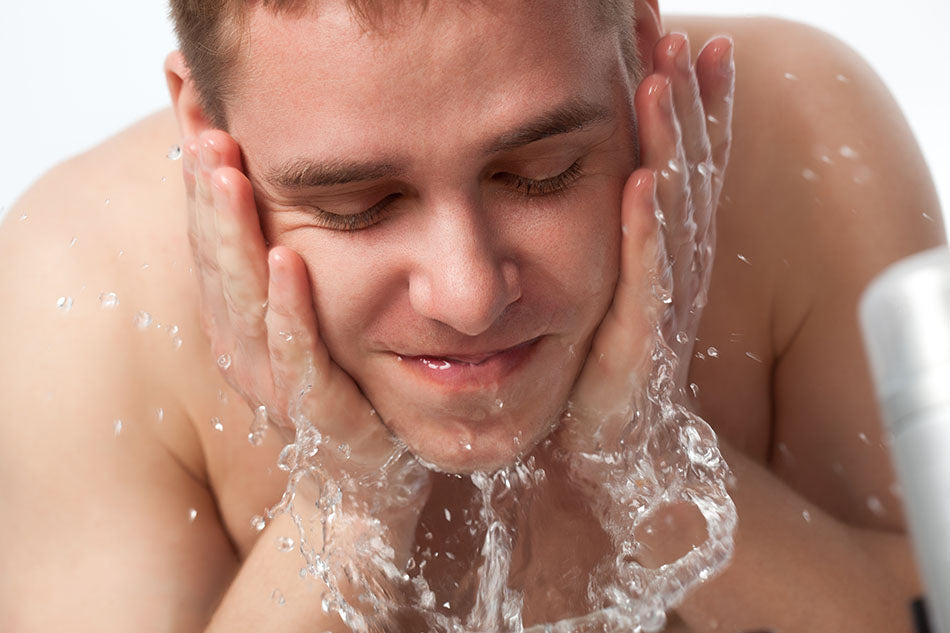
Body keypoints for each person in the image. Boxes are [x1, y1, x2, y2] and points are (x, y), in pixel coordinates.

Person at [0, 0, 945, 631]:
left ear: (635, 53)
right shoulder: (85, 291)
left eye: (540, 174)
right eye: (356, 205)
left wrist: (643, 462)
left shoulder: (801, 153)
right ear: (206, 133)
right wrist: (346, 506)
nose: (468, 294)